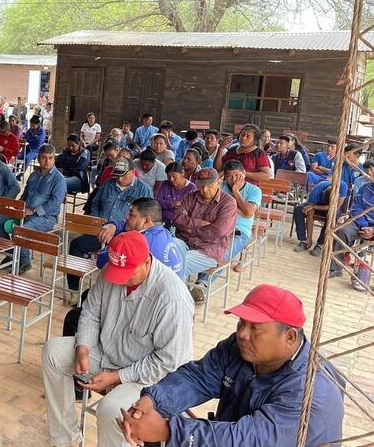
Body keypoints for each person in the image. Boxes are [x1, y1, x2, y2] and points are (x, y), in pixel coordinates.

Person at [121, 285, 344, 447]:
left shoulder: (312, 394)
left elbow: (248, 440)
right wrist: (152, 401)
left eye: (255, 328)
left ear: (290, 338)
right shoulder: (240, 348)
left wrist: (169, 430)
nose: (242, 334)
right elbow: (198, 378)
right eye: (241, 323)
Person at [43, 230, 194, 447]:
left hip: (149, 376)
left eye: (127, 273)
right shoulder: (112, 270)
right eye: (116, 272)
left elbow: (167, 362)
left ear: (147, 261)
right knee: (53, 352)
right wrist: (83, 347)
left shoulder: (172, 298)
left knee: (111, 409)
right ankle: (66, 440)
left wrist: (116, 377)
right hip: (108, 352)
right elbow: (91, 311)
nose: (119, 279)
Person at [62, 198, 185, 335]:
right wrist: (114, 225)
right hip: (163, 302)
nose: (126, 216)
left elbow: (103, 262)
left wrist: (116, 237)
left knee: (74, 317)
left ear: (146, 221)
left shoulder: (141, 242)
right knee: (89, 295)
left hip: (146, 311)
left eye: (131, 214)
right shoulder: (164, 233)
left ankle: (88, 345)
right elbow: (126, 225)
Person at [66, 157, 153, 287]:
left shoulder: (143, 190)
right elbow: (95, 205)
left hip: (125, 236)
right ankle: (75, 289)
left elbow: (146, 219)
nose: (119, 179)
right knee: (76, 245)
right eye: (117, 175)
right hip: (102, 230)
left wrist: (118, 229)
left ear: (133, 172)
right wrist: (97, 221)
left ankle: (110, 288)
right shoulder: (108, 184)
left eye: (123, 176)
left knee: (111, 260)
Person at [0, 144, 66, 273]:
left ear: (54, 159)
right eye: (44, 158)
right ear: (38, 159)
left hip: (46, 217)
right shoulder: (34, 175)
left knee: (22, 231)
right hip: (26, 212)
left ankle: (25, 262)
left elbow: (55, 203)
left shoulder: (58, 179)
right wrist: (18, 207)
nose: (47, 161)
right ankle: (12, 254)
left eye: (50, 158)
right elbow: (25, 195)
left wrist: (33, 211)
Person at [172, 167, 237, 301]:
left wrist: (189, 225)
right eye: (201, 186)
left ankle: (180, 301)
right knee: (167, 250)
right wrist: (200, 224)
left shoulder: (229, 203)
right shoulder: (191, 196)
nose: (204, 190)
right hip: (185, 241)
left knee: (179, 263)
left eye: (209, 185)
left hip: (210, 250)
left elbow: (217, 232)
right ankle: (179, 296)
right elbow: (177, 218)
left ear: (219, 182)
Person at [220, 159, 262, 264]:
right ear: (225, 176)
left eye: (237, 176)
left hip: (239, 232)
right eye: (229, 176)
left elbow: (248, 212)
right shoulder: (220, 187)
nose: (234, 179)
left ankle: (204, 281)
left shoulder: (254, 190)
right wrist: (239, 210)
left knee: (221, 255)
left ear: (244, 174)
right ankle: (203, 280)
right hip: (218, 228)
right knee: (203, 252)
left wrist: (235, 191)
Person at [293, 178, 349, 257]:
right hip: (317, 205)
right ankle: (304, 241)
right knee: (298, 209)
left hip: (331, 207)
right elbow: (310, 216)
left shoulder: (343, 186)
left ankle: (320, 244)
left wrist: (314, 206)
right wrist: (309, 238)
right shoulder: (316, 191)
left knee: (332, 216)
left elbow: (335, 207)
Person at [154, 162, 197, 226]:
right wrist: (171, 204)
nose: (171, 179)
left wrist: (165, 205)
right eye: (169, 177)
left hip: (183, 224)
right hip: (163, 221)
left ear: (182, 173)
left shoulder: (192, 188)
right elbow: (158, 201)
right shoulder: (165, 184)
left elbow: (190, 210)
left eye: (174, 176)